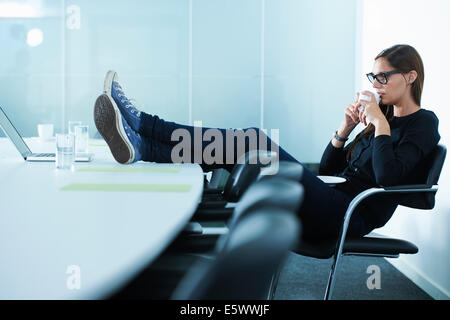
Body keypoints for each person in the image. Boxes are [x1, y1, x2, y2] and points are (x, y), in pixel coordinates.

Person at [94, 44, 440, 241]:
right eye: (373, 76)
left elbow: (388, 179)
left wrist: (378, 122)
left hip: (350, 216)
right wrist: (344, 129)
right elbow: (330, 170)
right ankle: (145, 144)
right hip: (332, 198)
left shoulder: (423, 123)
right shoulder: (382, 122)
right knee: (241, 151)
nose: (376, 83)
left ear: (410, 77)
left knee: (255, 142)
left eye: (383, 76)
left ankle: (144, 127)